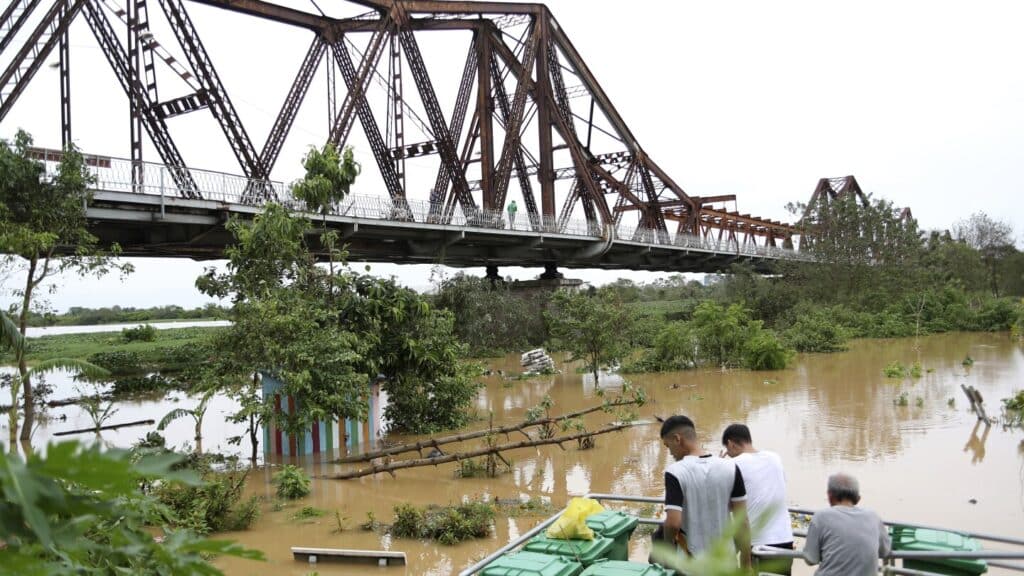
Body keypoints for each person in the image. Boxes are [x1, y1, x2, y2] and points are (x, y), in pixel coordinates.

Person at [659, 415, 752, 569]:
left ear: (677, 439)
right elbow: (742, 521)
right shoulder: (731, 468)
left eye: (668, 446)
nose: (670, 453)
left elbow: (673, 523)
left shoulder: (675, 472)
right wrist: (746, 563)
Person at [721, 423, 794, 575]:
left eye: (728, 450)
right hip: (785, 539)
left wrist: (719, 466)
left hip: (759, 544)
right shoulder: (775, 458)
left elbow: (724, 505)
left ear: (730, 443)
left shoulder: (732, 465)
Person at [803, 473, 891, 576]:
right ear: (858, 499)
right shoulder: (873, 517)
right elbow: (885, 552)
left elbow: (810, 559)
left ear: (830, 496)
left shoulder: (821, 517)